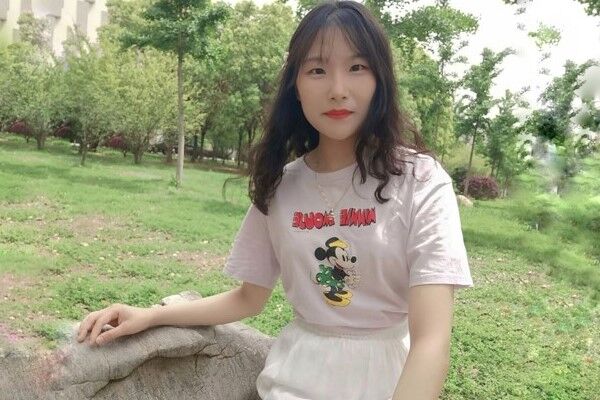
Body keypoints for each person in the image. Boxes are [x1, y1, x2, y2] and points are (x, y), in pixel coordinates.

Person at [77, 1, 474, 399]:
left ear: (380, 80)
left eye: (357, 67)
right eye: (317, 70)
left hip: (389, 381)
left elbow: (431, 342)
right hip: (294, 381)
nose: (338, 89)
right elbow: (248, 297)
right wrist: (150, 316)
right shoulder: (281, 186)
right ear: (295, 87)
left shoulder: (420, 181)